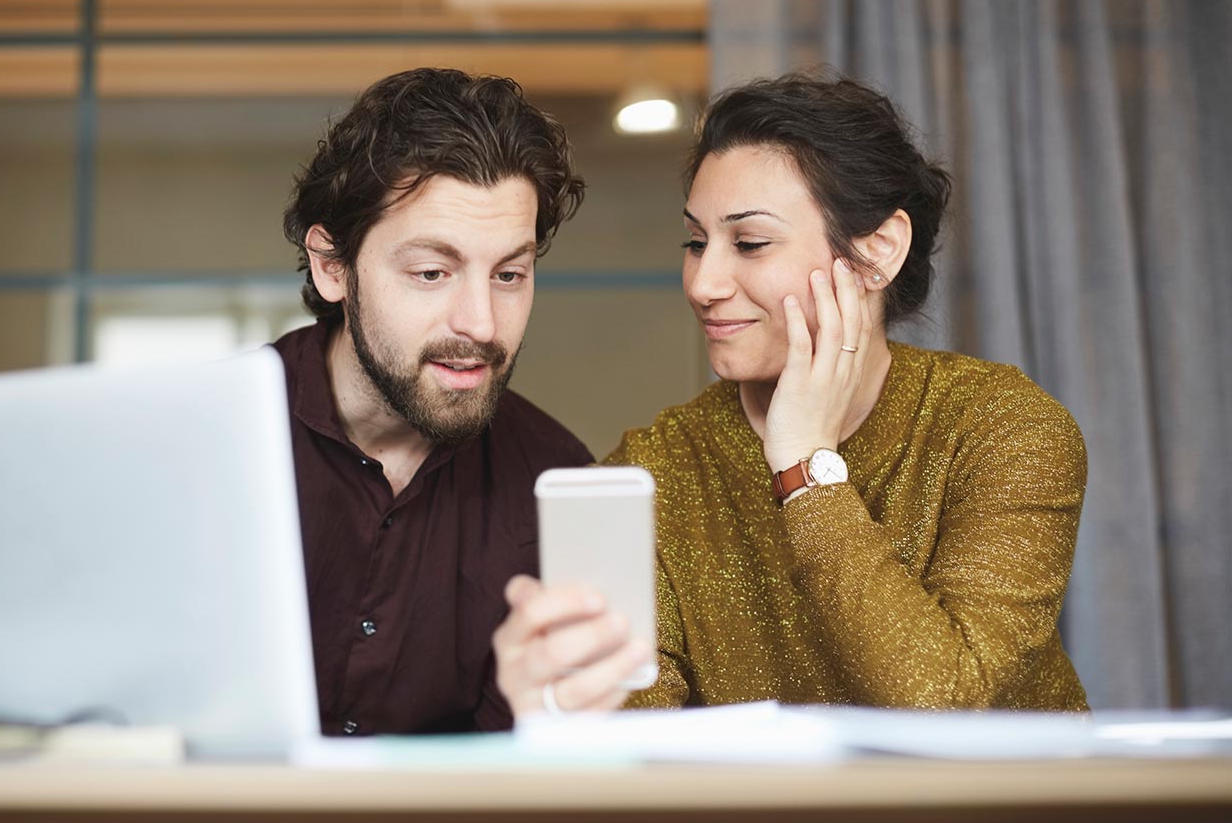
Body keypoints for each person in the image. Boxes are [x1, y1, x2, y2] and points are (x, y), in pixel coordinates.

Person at [493, 72, 1089, 716]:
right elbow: (636, 749)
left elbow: (945, 700)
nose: (703, 283)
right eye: (696, 243)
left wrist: (806, 466)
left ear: (878, 251)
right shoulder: (655, 471)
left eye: (749, 243)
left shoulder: (1001, 428)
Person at [274, 67, 592, 736]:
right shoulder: (207, 439)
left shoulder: (556, 480)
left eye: (509, 274)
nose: (479, 322)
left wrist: (548, 724)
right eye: (431, 272)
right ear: (332, 265)